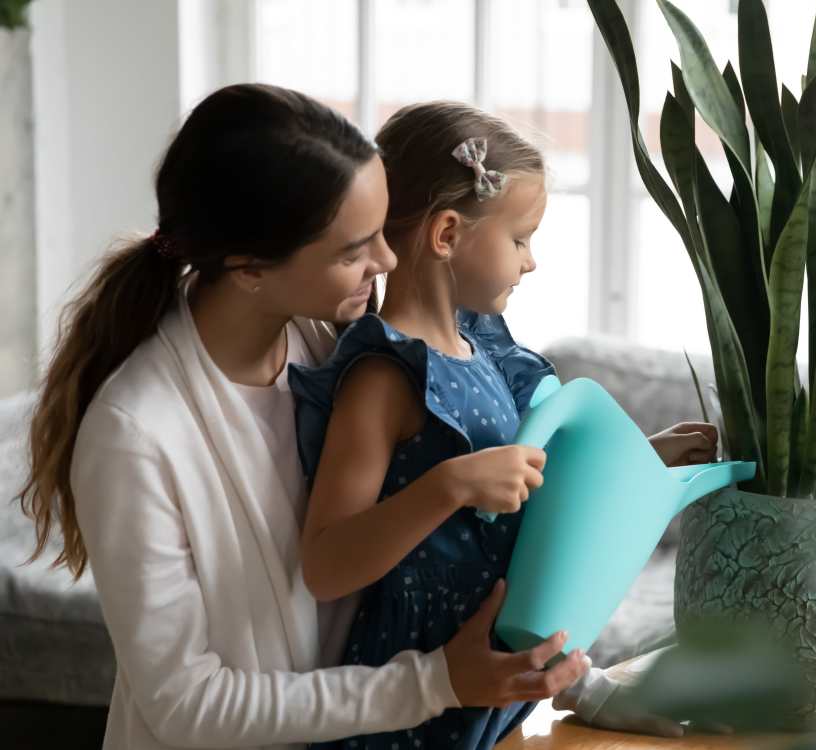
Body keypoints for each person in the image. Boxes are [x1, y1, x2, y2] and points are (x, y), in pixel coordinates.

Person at [17, 84, 587, 750]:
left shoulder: (333, 348)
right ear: (251, 270)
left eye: (381, 229)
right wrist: (434, 684)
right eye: (354, 251)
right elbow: (188, 706)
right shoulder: (134, 436)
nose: (388, 260)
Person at [292, 101, 720, 750]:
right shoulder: (386, 375)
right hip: (412, 707)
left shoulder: (482, 345)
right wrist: (448, 486)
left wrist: (641, 458)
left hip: (493, 694)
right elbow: (325, 564)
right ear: (446, 236)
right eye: (520, 239)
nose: (530, 262)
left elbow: (526, 469)